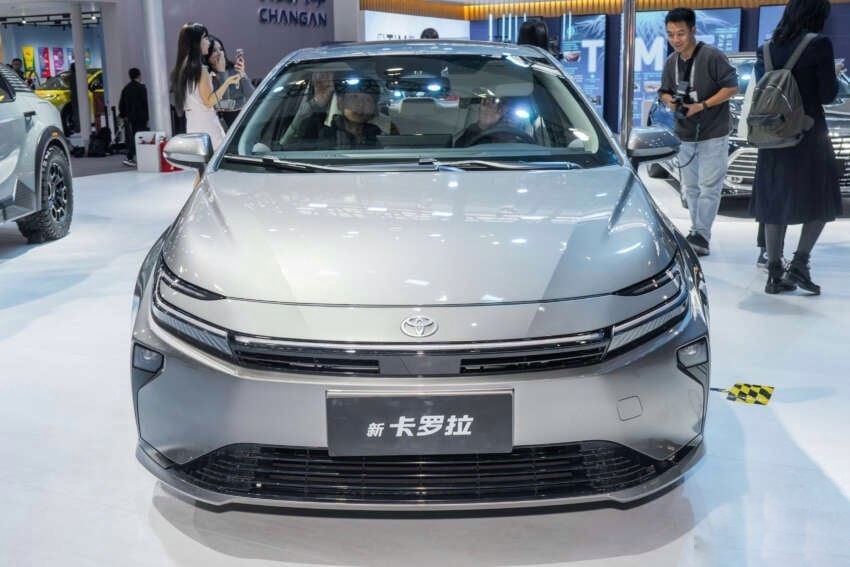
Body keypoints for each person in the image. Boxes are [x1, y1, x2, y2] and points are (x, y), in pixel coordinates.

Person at [749, 0, 842, 295]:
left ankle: (774, 273)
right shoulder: (819, 44)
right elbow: (827, 95)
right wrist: (834, 74)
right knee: (821, 200)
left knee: (774, 202)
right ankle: (800, 264)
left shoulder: (766, 49)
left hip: (772, 136)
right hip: (809, 135)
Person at [657, 7, 739, 257]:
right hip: (684, 133)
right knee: (690, 187)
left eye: (681, 33)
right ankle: (697, 230)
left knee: (709, 186)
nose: (676, 39)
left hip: (713, 131)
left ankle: (702, 234)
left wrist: (701, 105)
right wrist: (671, 102)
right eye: (671, 34)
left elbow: (731, 87)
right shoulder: (671, 62)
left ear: (693, 30)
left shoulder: (712, 56)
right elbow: (664, 91)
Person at [170, 22, 241, 150]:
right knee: (216, 158)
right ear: (196, 42)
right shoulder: (200, 70)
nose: (208, 42)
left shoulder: (181, 69)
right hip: (208, 126)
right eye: (205, 38)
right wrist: (227, 83)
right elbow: (209, 101)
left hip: (192, 125)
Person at [285, 76, 382, 149]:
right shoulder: (320, 134)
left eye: (368, 100)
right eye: (354, 97)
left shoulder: (382, 138)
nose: (360, 104)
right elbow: (288, 145)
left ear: (374, 108)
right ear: (340, 103)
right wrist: (315, 103)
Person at [205, 35, 254, 129]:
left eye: (221, 49)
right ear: (207, 54)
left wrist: (243, 74)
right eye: (214, 50)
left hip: (244, 117)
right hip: (223, 122)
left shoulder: (233, 68)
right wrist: (222, 72)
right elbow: (226, 104)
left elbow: (251, 95)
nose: (219, 53)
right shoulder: (207, 75)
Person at [118, 67, 149, 167]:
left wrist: (123, 115)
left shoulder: (126, 88)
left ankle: (134, 157)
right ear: (139, 75)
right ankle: (131, 156)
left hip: (131, 117)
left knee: (135, 135)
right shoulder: (141, 88)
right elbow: (146, 102)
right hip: (142, 116)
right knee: (140, 136)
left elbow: (121, 104)